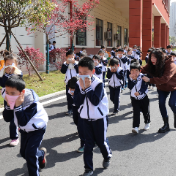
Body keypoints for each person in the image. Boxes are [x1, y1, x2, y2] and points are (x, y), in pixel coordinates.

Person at [3, 75, 48, 176]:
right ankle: (41, 155)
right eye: (7, 92)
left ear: (21, 92)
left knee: (30, 154)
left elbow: (23, 121)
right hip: (24, 130)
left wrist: (18, 107)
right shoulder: (9, 97)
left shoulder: (31, 103)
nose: (9, 95)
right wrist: (8, 104)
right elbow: (7, 118)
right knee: (24, 153)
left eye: (12, 93)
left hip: (37, 129)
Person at [74, 57, 112, 176]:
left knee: (101, 142)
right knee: (88, 144)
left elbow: (95, 101)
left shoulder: (98, 84)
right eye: (80, 73)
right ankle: (88, 169)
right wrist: (81, 89)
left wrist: (88, 88)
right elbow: (77, 101)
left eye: (85, 73)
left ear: (93, 72)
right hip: (85, 118)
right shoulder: (78, 83)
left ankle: (107, 156)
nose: (82, 75)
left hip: (99, 118)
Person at [142, 49, 176, 133]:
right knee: (161, 103)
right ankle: (166, 125)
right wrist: (133, 69)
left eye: (154, 58)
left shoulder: (170, 64)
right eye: (151, 57)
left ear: (160, 58)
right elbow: (143, 69)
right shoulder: (152, 64)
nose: (152, 60)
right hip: (162, 87)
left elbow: (165, 79)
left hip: (174, 86)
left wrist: (150, 80)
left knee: (172, 103)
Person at [0, 54, 22, 147]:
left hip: (16, 98)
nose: (10, 65)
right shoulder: (2, 74)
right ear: (4, 64)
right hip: (7, 98)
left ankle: (14, 137)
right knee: (7, 117)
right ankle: (19, 125)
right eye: (7, 63)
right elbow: (2, 84)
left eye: (12, 63)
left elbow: (19, 84)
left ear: (16, 64)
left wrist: (13, 75)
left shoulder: (18, 73)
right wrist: (6, 75)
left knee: (14, 118)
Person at [128, 61, 150, 134]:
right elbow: (130, 87)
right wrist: (133, 80)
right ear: (130, 71)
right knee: (136, 112)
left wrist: (139, 92)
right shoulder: (130, 77)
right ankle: (135, 127)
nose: (134, 72)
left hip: (143, 97)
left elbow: (144, 87)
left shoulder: (142, 77)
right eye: (132, 71)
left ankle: (147, 122)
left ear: (139, 71)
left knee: (145, 111)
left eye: (136, 71)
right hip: (134, 98)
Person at [68, 77, 85, 153]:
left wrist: (74, 95)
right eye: (70, 88)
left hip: (81, 108)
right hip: (75, 107)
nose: (72, 90)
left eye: (73, 89)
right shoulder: (70, 89)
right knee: (75, 120)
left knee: (82, 127)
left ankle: (84, 145)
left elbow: (80, 100)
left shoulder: (80, 89)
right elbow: (69, 99)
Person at [61, 50, 78, 115]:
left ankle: (77, 108)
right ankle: (70, 109)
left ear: (74, 56)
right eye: (69, 57)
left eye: (72, 57)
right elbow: (63, 71)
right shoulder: (65, 63)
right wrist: (66, 64)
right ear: (66, 57)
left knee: (76, 95)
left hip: (76, 82)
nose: (71, 59)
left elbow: (78, 71)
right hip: (68, 83)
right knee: (69, 96)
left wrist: (74, 63)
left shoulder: (77, 63)